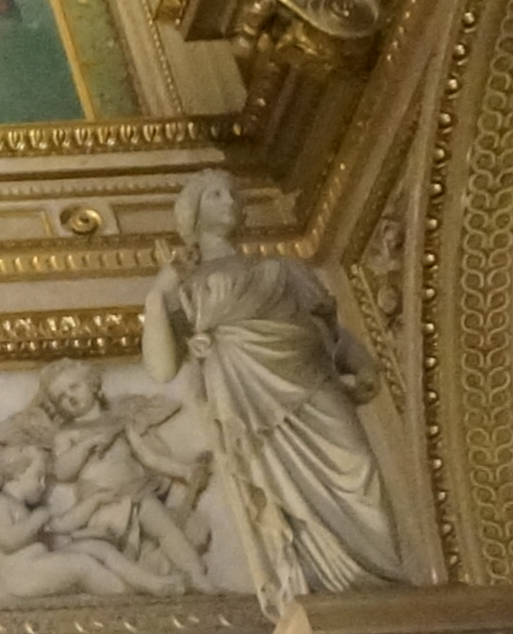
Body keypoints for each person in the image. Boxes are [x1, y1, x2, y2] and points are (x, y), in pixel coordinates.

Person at [141, 167, 407, 600]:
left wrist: (363, 364)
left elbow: (330, 329)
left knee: (358, 467)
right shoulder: (190, 286)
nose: (229, 203)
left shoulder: (282, 269)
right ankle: (320, 581)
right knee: (285, 490)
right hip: (250, 396)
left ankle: (380, 576)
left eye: (232, 195)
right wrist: (158, 293)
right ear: (192, 212)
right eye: (214, 196)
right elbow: (161, 366)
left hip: (313, 380)